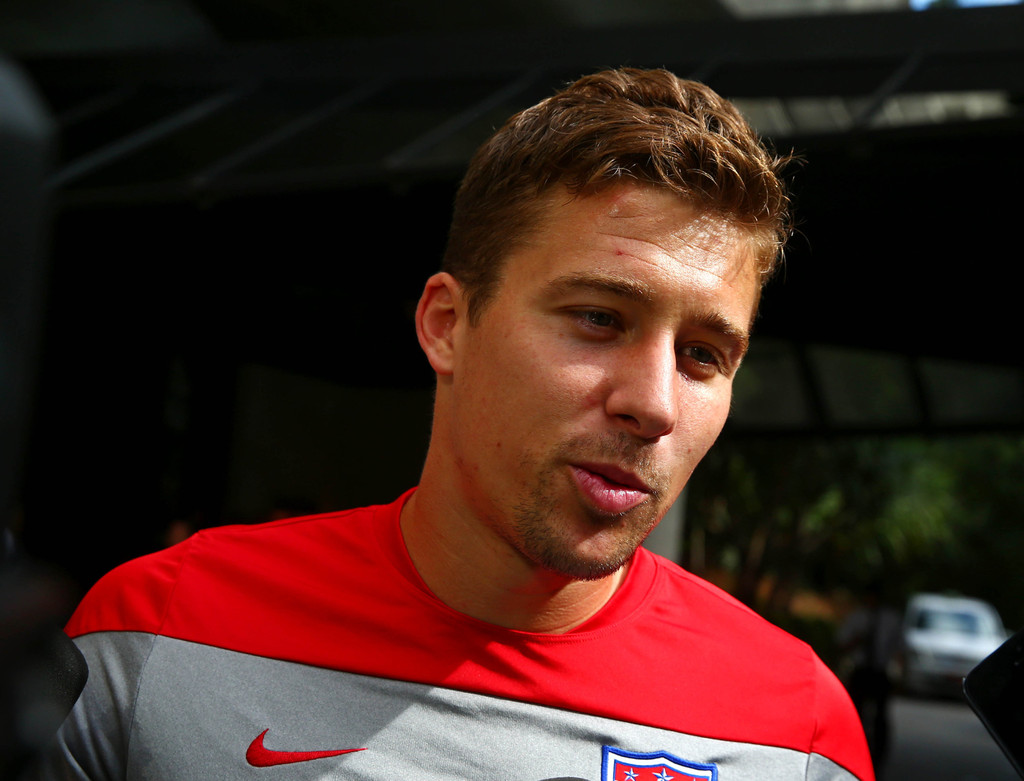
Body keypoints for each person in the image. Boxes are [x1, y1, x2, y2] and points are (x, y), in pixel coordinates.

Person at [27, 68, 874, 781]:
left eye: (702, 356)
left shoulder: (793, 733)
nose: (652, 404)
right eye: (597, 318)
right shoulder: (157, 634)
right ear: (446, 324)